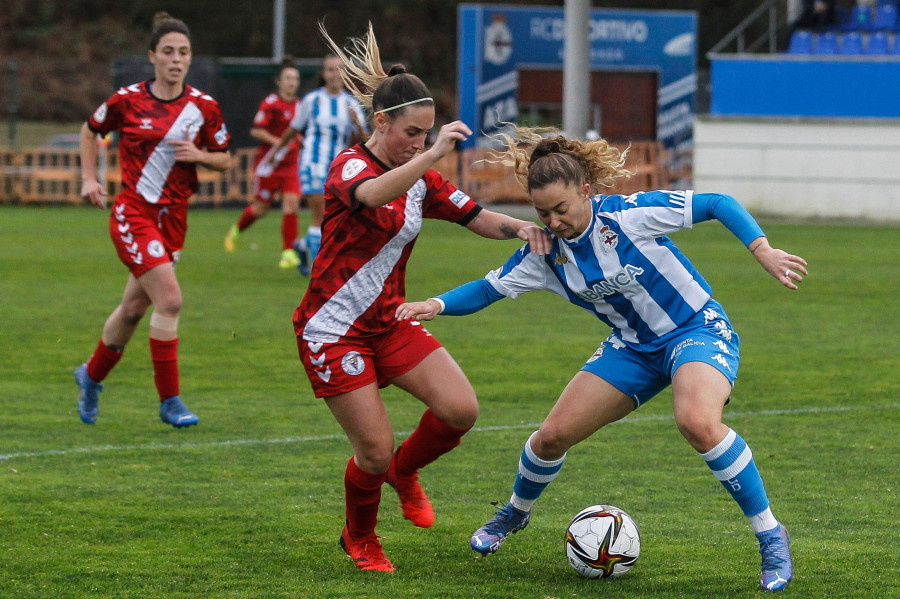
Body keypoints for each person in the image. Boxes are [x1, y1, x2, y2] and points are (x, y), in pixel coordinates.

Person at [396, 126, 806, 592]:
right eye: (542, 212)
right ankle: (515, 512)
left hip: (695, 330)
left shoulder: (630, 216)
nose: (552, 221)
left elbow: (717, 203)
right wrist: (437, 304)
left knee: (697, 421)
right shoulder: (545, 253)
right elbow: (488, 289)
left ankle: (770, 534)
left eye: (561, 209)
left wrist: (763, 249)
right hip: (632, 347)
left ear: (586, 192)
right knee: (550, 437)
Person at [295, 23, 551, 573]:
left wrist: (529, 229)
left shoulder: (422, 177)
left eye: (428, 133)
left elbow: (477, 217)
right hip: (333, 329)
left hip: (387, 321)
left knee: (461, 409)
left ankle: (404, 473)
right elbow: (370, 195)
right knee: (372, 450)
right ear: (381, 122)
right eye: (412, 132)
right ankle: (360, 538)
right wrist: (432, 154)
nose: (420, 141)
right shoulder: (351, 165)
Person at [75, 12, 231, 428]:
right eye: (167, 52)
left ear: (190, 58)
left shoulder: (204, 108)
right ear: (153, 57)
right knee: (171, 300)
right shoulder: (127, 99)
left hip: (174, 220)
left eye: (183, 52)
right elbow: (91, 130)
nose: (175, 59)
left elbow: (224, 159)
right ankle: (170, 401)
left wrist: (200, 157)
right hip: (133, 212)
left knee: (131, 310)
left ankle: (90, 377)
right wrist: (89, 178)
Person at [266, 53, 368, 275]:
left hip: (339, 168)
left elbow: (365, 138)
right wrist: (276, 152)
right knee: (320, 214)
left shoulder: (350, 104)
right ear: (323, 74)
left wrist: (359, 128)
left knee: (335, 217)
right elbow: (293, 129)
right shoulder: (312, 100)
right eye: (330, 69)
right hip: (313, 163)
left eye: (338, 69)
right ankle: (319, 268)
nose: (334, 74)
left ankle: (303, 246)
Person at [224, 57, 303, 269]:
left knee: (291, 203)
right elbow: (256, 130)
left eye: (295, 79)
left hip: (290, 165)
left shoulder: (300, 106)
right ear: (279, 81)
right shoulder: (271, 103)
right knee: (261, 209)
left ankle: (288, 252)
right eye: (288, 78)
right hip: (269, 165)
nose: (292, 82)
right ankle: (236, 230)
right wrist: (279, 142)